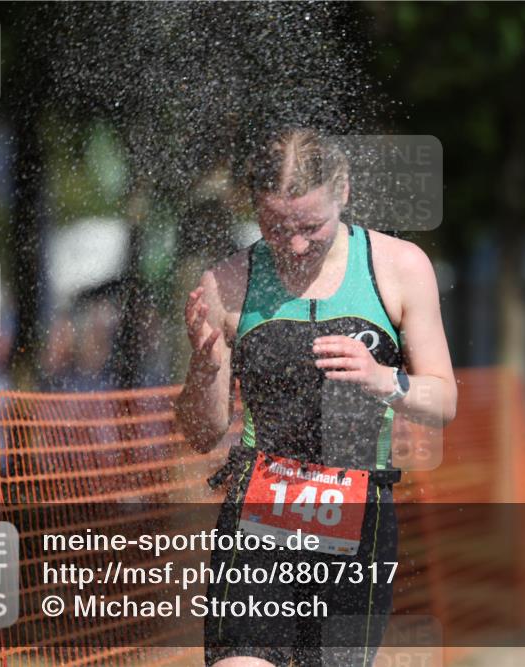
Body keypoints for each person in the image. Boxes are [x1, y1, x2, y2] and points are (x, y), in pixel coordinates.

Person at [175, 127, 457, 667]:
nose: (297, 244)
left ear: (344, 190)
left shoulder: (399, 268)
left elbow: (442, 402)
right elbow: (202, 433)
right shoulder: (227, 282)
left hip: (358, 512)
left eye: (310, 225)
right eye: (276, 227)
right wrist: (205, 366)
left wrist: (382, 380)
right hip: (261, 509)